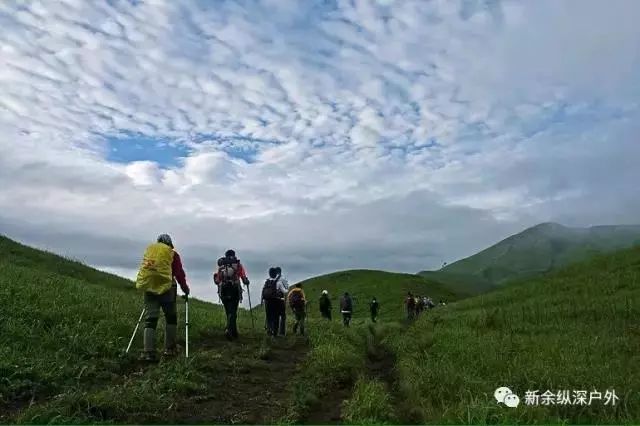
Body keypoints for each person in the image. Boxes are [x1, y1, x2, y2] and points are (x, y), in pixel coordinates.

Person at [135, 234, 190, 362]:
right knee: (171, 318)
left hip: (149, 287)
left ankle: (148, 352)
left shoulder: (150, 251)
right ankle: (169, 349)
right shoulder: (172, 254)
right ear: (170, 244)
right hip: (167, 289)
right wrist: (185, 288)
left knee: (150, 319)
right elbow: (179, 273)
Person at [213, 249, 250, 340]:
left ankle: (232, 331)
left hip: (224, 289)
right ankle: (231, 331)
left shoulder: (221, 266)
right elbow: (244, 278)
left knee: (228, 311)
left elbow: (217, 280)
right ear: (234, 255)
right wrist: (246, 282)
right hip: (235, 289)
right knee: (233, 311)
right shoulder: (238, 265)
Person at [274, 267, 289, 336]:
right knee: (283, 316)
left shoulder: (272, 278)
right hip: (281, 299)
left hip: (272, 299)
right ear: (280, 271)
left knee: (275, 315)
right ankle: (282, 332)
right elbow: (286, 289)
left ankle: (273, 331)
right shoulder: (283, 279)